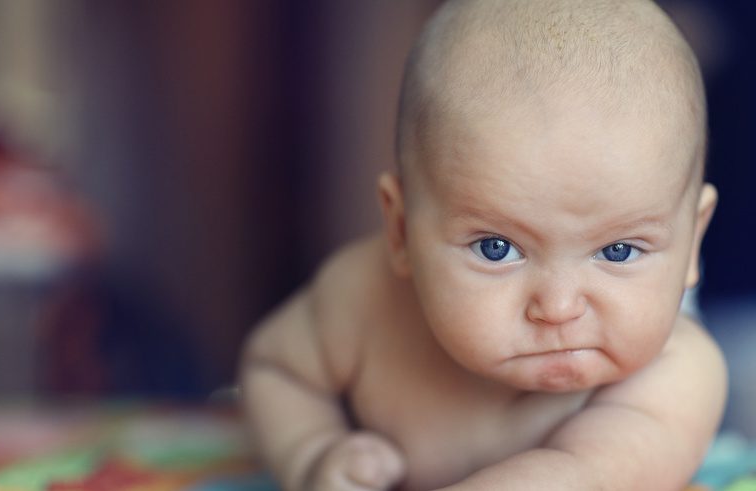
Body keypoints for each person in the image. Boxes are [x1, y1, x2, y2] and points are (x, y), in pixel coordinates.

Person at [239, 0, 726, 489]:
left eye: (618, 251)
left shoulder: (676, 374)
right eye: (496, 248)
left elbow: (583, 477)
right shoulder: (363, 300)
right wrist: (312, 451)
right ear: (401, 229)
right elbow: (275, 369)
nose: (557, 308)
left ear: (692, 240)